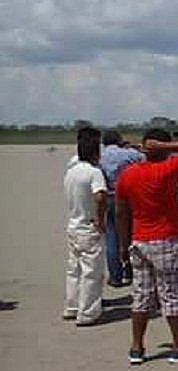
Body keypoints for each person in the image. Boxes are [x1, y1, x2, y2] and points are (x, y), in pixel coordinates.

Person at [115, 129, 178, 364]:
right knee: (172, 295)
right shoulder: (167, 169)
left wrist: (124, 246)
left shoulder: (128, 175)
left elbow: (121, 213)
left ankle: (137, 348)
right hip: (166, 240)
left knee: (141, 296)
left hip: (139, 241)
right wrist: (165, 147)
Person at [63, 127, 108, 326]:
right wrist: (100, 218)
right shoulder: (94, 172)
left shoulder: (71, 171)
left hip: (74, 224)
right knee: (92, 272)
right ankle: (87, 313)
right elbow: (99, 196)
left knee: (74, 270)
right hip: (89, 226)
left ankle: (72, 306)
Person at [100, 130, 144, 287]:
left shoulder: (100, 156)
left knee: (112, 237)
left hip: (109, 196)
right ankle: (131, 270)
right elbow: (144, 159)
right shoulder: (129, 154)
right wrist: (134, 147)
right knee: (131, 234)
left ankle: (115, 276)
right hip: (129, 197)